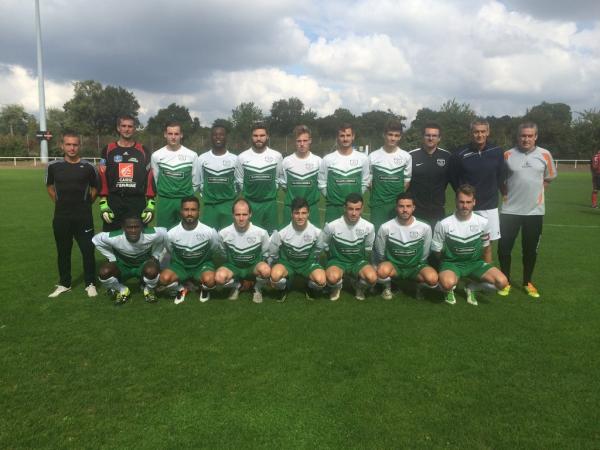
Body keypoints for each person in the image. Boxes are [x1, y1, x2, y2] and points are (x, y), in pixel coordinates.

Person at [497, 122, 557, 298]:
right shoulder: (507, 155)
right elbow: (500, 180)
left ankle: (527, 282)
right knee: (504, 249)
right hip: (509, 211)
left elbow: (549, 177)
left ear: (536, 137)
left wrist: (537, 194)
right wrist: (507, 196)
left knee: (530, 250)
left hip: (534, 212)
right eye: (523, 135)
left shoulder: (545, 154)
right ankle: (505, 281)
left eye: (530, 136)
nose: (526, 139)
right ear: (518, 136)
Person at [432, 185, 508, 306]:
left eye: (468, 202)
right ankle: (449, 288)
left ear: (474, 202)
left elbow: (487, 248)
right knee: (447, 283)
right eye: (461, 202)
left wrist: (486, 268)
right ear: (456, 201)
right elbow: (437, 251)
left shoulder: (483, 222)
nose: (465, 206)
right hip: (452, 264)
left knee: (502, 282)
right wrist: (445, 264)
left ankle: (472, 287)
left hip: (474, 263)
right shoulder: (443, 223)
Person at [46, 132, 99, 298]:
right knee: (63, 251)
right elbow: (49, 186)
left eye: (75, 144)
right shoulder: (53, 166)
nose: (72, 148)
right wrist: (59, 202)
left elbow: (95, 188)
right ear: (62, 146)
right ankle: (65, 283)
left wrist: (86, 203)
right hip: (61, 217)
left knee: (87, 251)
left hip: (83, 217)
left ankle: (90, 283)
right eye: (68, 144)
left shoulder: (89, 167)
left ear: (79, 146)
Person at [449, 119, 505, 253]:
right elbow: (453, 178)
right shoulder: (459, 154)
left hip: (490, 206)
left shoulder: (497, 151)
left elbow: (501, 176)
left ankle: (485, 266)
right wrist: (465, 195)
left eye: (483, 131)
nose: (480, 135)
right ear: (471, 133)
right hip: (468, 206)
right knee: (466, 242)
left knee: (487, 245)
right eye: (476, 132)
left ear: (488, 132)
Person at [374, 193, 438, 300]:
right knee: (382, 271)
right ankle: (387, 288)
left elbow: (426, 250)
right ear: (396, 207)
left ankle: (419, 288)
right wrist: (386, 262)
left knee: (433, 279)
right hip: (394, 266)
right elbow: (380, 251)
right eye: (401, 206)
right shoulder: (385, 227)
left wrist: (419, 262)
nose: (405, 210)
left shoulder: (424, 227)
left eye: (408, 206)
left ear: (413, 208)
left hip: (415, 267)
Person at [98, 115, 155, 232]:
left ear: (134, 128)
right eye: (123, 126)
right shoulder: (108, 149)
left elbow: (149, 176)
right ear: (118, 128)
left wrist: (151, 203)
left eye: (130, 126)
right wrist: (103, 203)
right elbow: (102, 176)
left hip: (136, 202)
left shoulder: (143, 150)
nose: (127, 129)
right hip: (114, 201)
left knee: (138, 238)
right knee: (112, 237)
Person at [159, 197, 220, 305]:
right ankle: (181, 288)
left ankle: (203, 288)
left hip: (202, 265)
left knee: (210, 280)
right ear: (181, 211)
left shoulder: (209, 232)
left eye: (193, 210)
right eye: (186, 210)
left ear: (199, 212)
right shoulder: (171, 233)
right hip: (180, 266)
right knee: (164, 279)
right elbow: (170, 249)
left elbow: (214, 248)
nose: (189, 213)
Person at [92, 216, 167, 304]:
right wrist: (111, 258)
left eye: (136, 227)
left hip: (143, 265)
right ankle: (122, 290)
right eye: (129, 227)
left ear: (142, 227)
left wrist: (155, 255)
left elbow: (164, 235)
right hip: (123, 266)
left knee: (152, 270)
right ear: (123, 228)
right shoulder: (114, 237)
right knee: (104, 272)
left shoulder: (153, 234)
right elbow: (96, 240)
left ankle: (148, 290)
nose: (133, 231)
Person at [320, 193, 377, 301]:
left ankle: (359, 286)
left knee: (372, 278)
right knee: (332, 278)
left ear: (362, 209)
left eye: (357, 209)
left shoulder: (369, 227)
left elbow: (368, 248)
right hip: (338, 261)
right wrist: (331, 259)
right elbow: (324, 244)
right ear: (345, 208)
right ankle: (336, 287)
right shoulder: (332, 226)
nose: (354, 213)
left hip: (357, 261)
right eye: (351, 209)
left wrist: (362, 262)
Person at [269, 197, 326, 301]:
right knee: (275, 276)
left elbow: (318, 249)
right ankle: (284, 287)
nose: (300, 217)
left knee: (321, 281)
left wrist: (313, 261)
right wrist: (278, 262)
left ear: (308, 214)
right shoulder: (282, 232)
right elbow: (273, 251)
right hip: (287, 264)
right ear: (291, 214)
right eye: (297, 213)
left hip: (307, 264)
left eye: (303, 213)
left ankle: (309, 286)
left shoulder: (317, 232)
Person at [214, 199, 271, 304]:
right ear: (233, 215)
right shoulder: (223, 233)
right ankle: (237, 285)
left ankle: (257, 287)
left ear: (250, 214)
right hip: (233, 267)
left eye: (244, 214)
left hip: (253, 267)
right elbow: (222, 253)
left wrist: (260, 265)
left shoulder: (261, 233)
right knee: (219, 278)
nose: (241, 218)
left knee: (266, 270)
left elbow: (266, 252)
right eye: (238, 214)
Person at [235, 123, 282, 234]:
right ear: (251, 137)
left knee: (271, 237)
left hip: (270, 204)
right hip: (250, 204)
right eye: (255, 136)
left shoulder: (277, 156)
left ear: (267, 136)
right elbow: (240, 180)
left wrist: (269, 193)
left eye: (262, 135)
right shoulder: (242, 157)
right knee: (251, 237)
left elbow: (278, 179)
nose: (259, 138)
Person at [150, 121, 199, 229]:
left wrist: (186, 194)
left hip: (185, 201)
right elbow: (156, 179)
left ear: (181, 135)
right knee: (164, 233)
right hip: (165, 201)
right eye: (170, 133)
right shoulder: (156, 155)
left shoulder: (192, 155)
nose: (173, 137)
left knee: (186, 231)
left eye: (176, 134)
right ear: (165, 134)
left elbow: (195, 180)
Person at [318, 123, 370, 224]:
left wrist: (356, 199)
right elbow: (322, 182)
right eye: (342, 135)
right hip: (333, 207)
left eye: (348, 135)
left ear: (353, 136)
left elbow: (365, 181)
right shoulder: (327, 159)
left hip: (354, 208)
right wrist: (331, 197)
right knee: (331, 234)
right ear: (337, 137)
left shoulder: (363, 158)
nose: (345, 139)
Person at [368, 119, 412, 231]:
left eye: (396, 135)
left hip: (397, 206)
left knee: (395, 236)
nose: (393, 138)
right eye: (390, 134)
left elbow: (407, 182)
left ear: (400, 137)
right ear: (384, 135)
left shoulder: (406, 157)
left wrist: (396, 198)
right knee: (377, 235)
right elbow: (369, 182)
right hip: (378, 205)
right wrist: (379, 195)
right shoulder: (373, 156)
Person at [408, 123, 451, 229]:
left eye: (434, 135)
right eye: (428, 135)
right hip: (416, 210)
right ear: (423, 136)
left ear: (439, 138)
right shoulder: (411, 156)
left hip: (437, 211)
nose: (431, 138)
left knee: (436, 239)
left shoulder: (447, 156)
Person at [196, 125, 238, 230]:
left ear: (226, 137)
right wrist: (205, 195)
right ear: (211, 137)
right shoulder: (202, 158)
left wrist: (231, 197)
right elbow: (198, 182)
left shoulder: (235, 159)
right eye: (215, 135)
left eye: (221, 135)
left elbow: (238, 183)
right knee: (209, 237)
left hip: (228, 205)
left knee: (228, 237)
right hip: (210, 206)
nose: (218, 137)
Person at [280, 125, 322, 224]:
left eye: (305, 140)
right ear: (295, 142)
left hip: (311, 208)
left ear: (310, 140)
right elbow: (284, 185)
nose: (302, 144)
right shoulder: (286, 161)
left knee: (314, 234)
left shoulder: (318, 161)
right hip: (291, 208)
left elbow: (321, 184)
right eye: (299, 141)